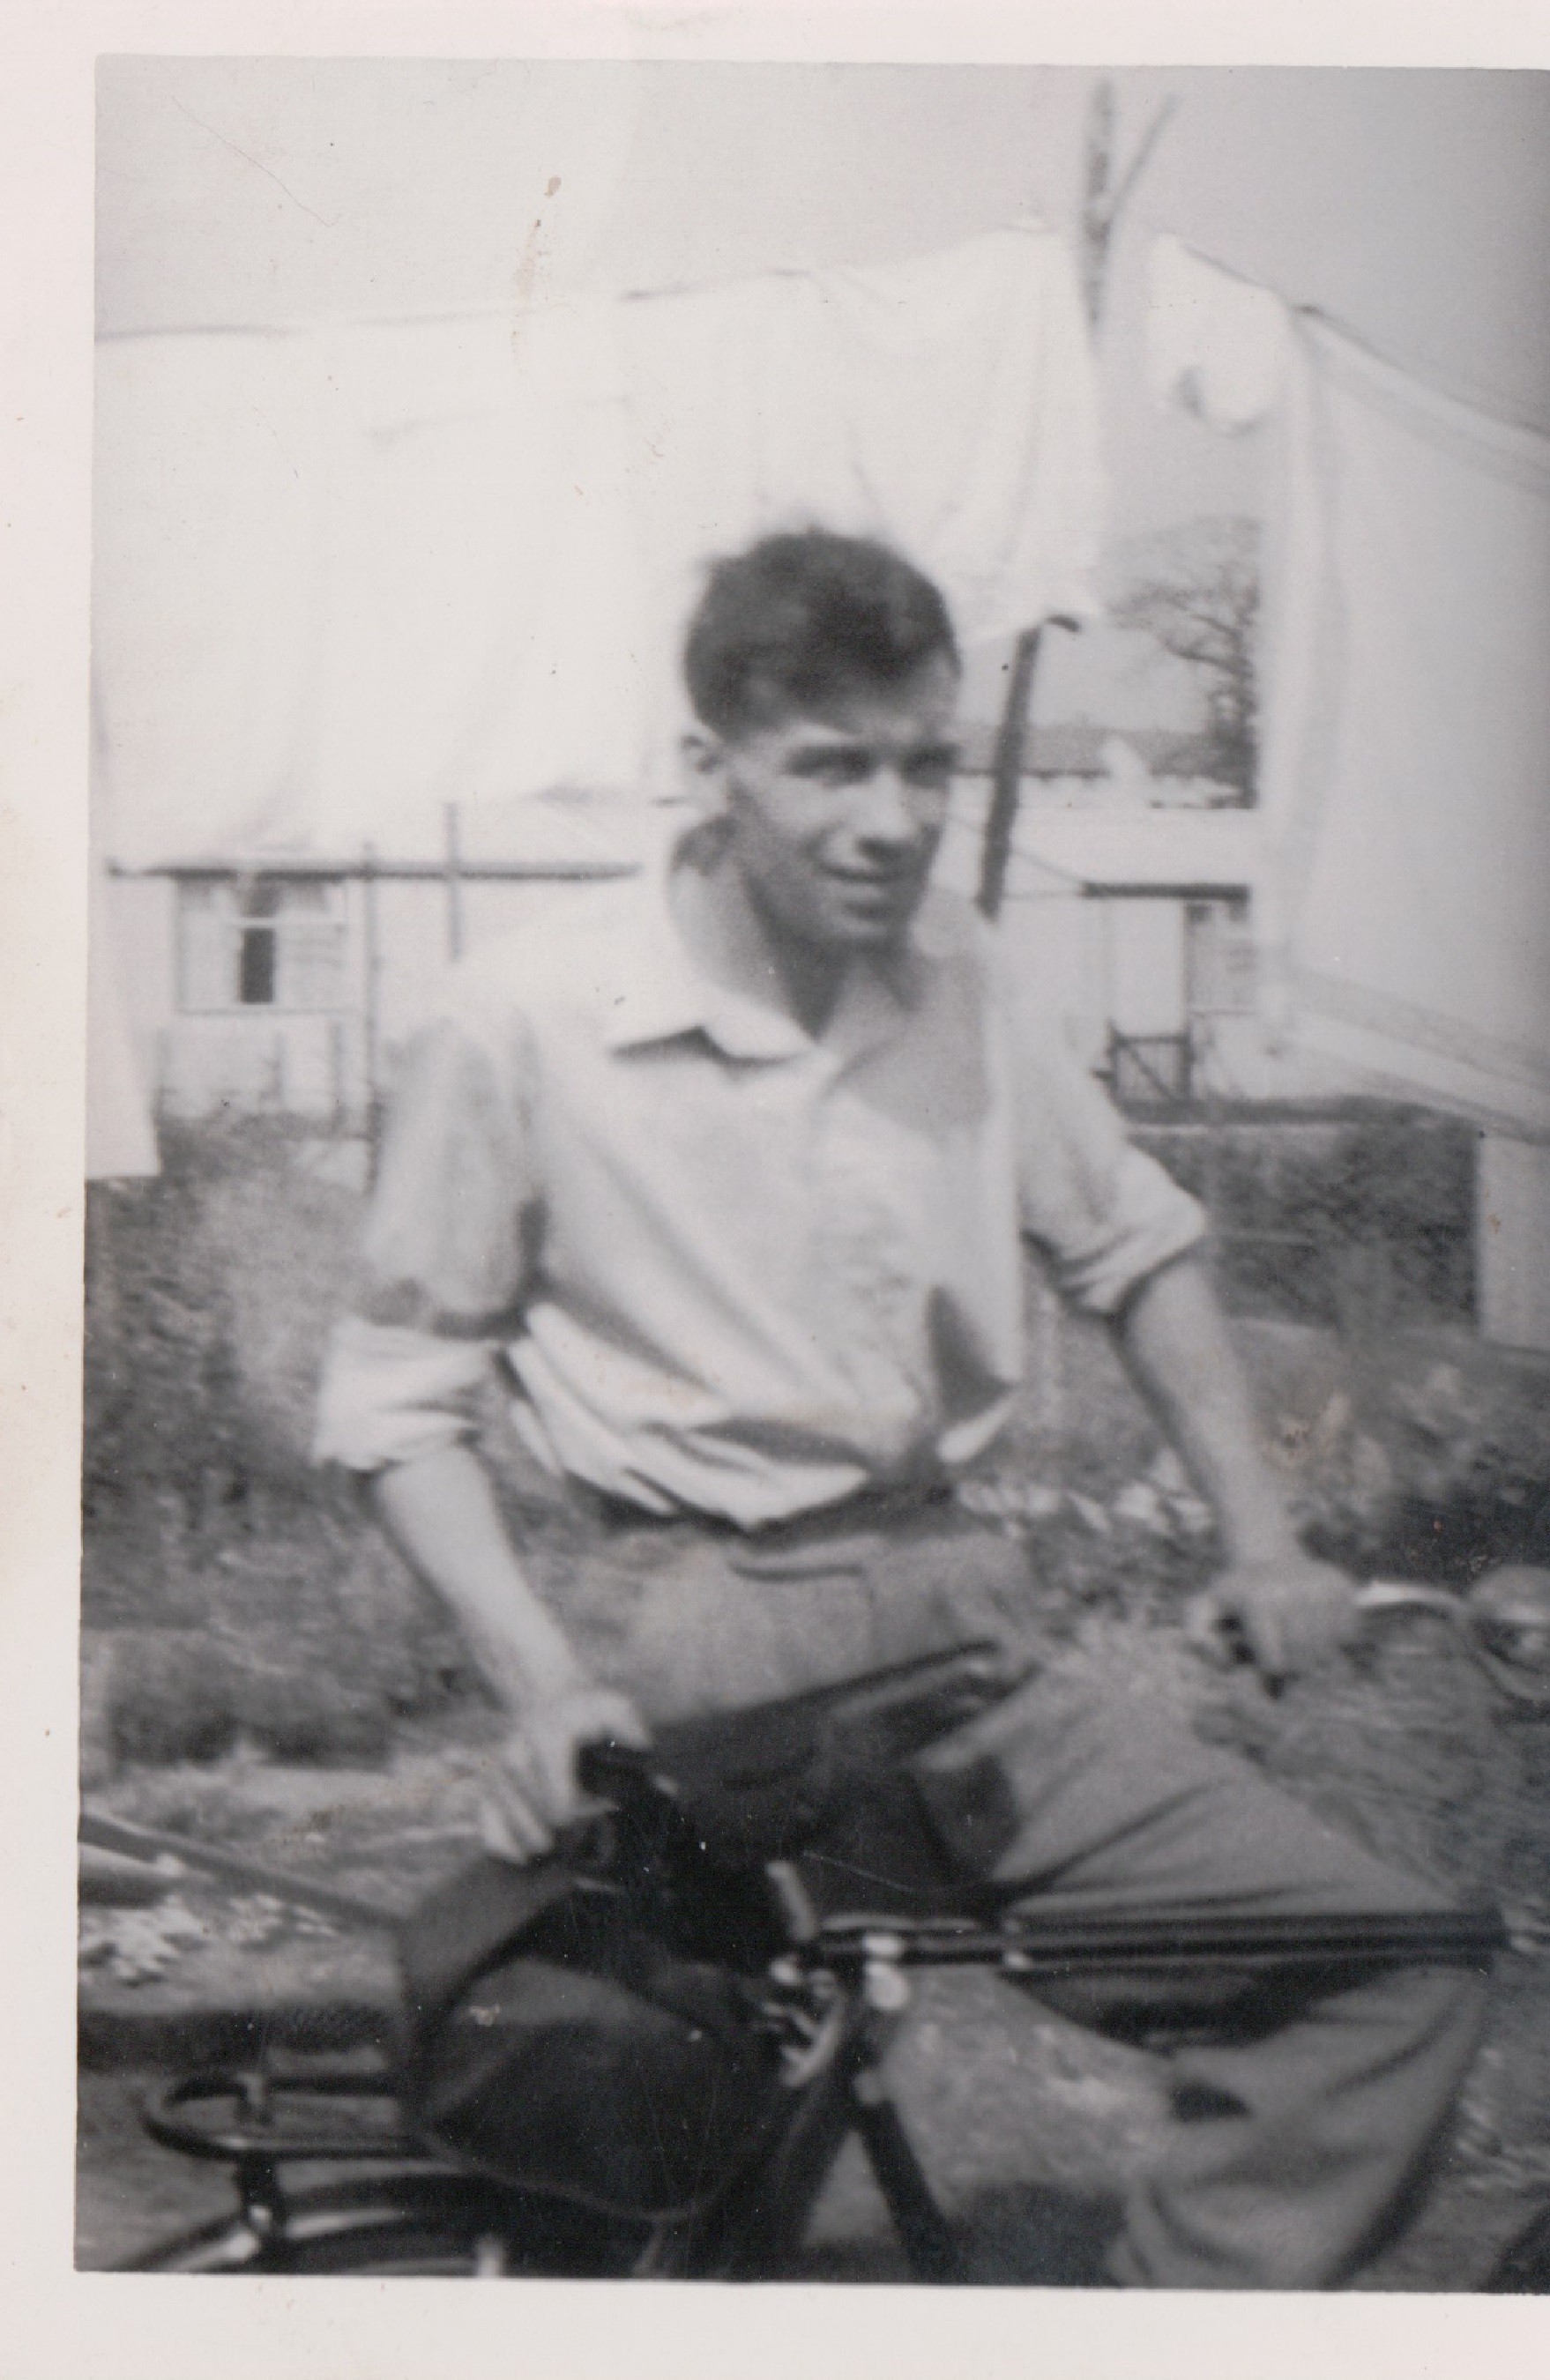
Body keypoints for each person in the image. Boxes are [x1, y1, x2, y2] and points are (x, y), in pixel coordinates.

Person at [315, 528, 1486, 2289]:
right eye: (832, 766)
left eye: (927, 762)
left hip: (955, 1635)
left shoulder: (967, 971)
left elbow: (1139, 1245)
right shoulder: (523, 1020)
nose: (893, 818)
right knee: (671, 2169)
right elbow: (400, 1402)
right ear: (706, 768)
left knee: (1382, 1957)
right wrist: (546, 1686)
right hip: (703, 1653)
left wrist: (1262, 1536)